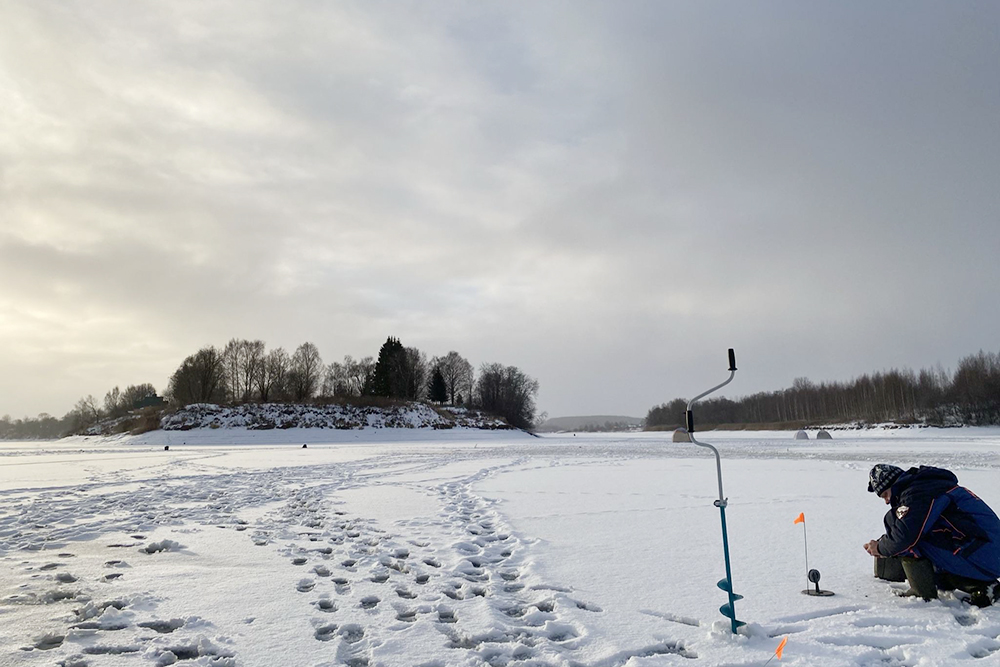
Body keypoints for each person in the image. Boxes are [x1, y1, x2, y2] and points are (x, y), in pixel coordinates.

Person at [863, 463, 1000, 607]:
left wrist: (880, 547)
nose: (886, 501)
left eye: (885, 495)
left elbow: (905, 537)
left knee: (907, 535)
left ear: (893, 484)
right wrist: (886, 542)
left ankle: (922, 591)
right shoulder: (927, 486)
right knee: (907, 532)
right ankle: (979, 585)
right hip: (987, 551)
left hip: (986, 553)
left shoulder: (919, 493)